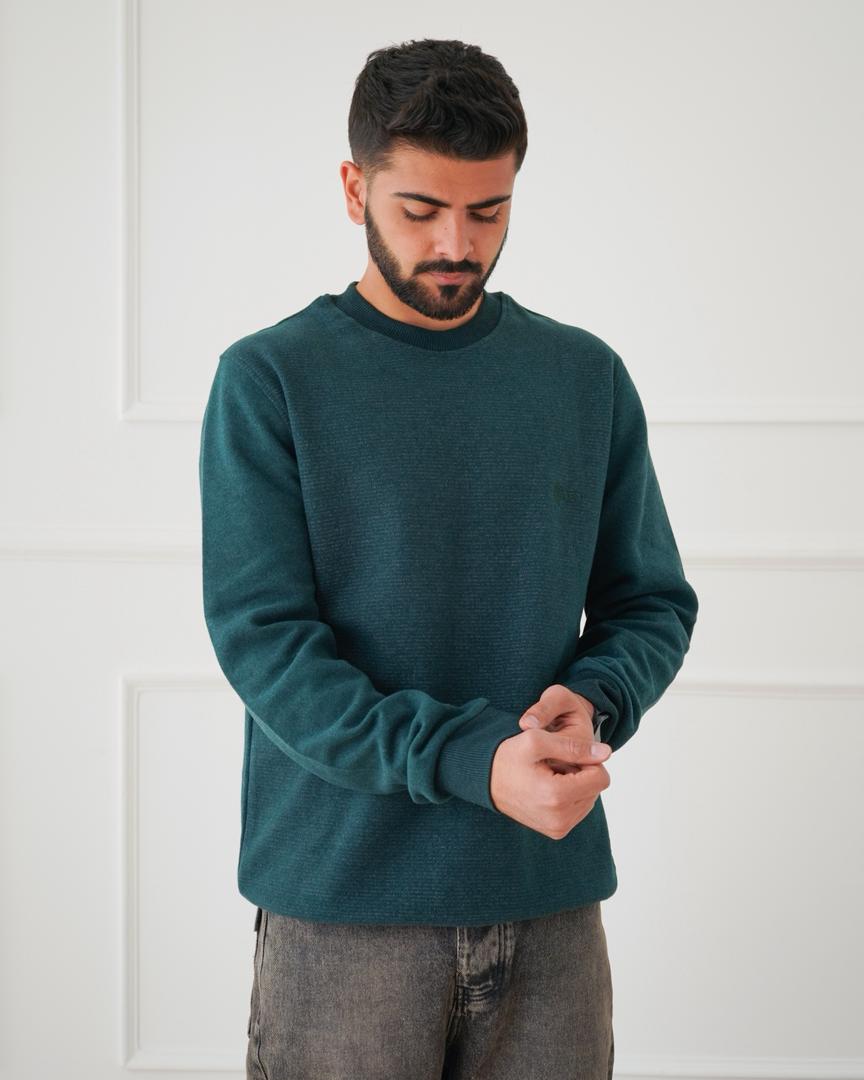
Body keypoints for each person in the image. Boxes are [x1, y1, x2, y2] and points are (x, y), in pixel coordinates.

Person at [198, 36, 699, 1080]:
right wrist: (474, 761)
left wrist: (595, 701)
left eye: (489, 211)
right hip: (345, 918)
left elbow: (650, 602)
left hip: (549, 906)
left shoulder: (583, 377)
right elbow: (267, 648)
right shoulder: (270, 380)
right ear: (355, 188)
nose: (457, 246)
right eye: (421, 210)